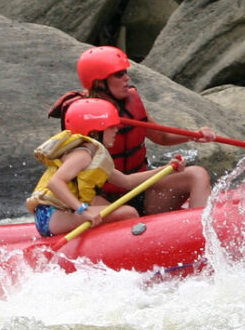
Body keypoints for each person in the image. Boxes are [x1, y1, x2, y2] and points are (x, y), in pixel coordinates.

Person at [47, 46, 210, 214]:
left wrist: (195, 135)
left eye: (125, 72)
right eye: (119, 75)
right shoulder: (81, 115)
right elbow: (71, 171)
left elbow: (162, 137)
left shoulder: (130, 104)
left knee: (197, 174)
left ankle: (200, 232)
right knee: (126, 215)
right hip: (98, 195)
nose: (127, 78)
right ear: (99, 82)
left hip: (138, 185)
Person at [26, 98, 187, 236]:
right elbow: (55, 183)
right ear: (95, 132)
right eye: (110, 126)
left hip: (59, 215)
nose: (117, 129)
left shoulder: (95, 156)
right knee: (128, 213)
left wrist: (167, 168)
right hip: (50, 217)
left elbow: (127, 181)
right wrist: (83, 210)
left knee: (125, 212)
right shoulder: (82, 154)